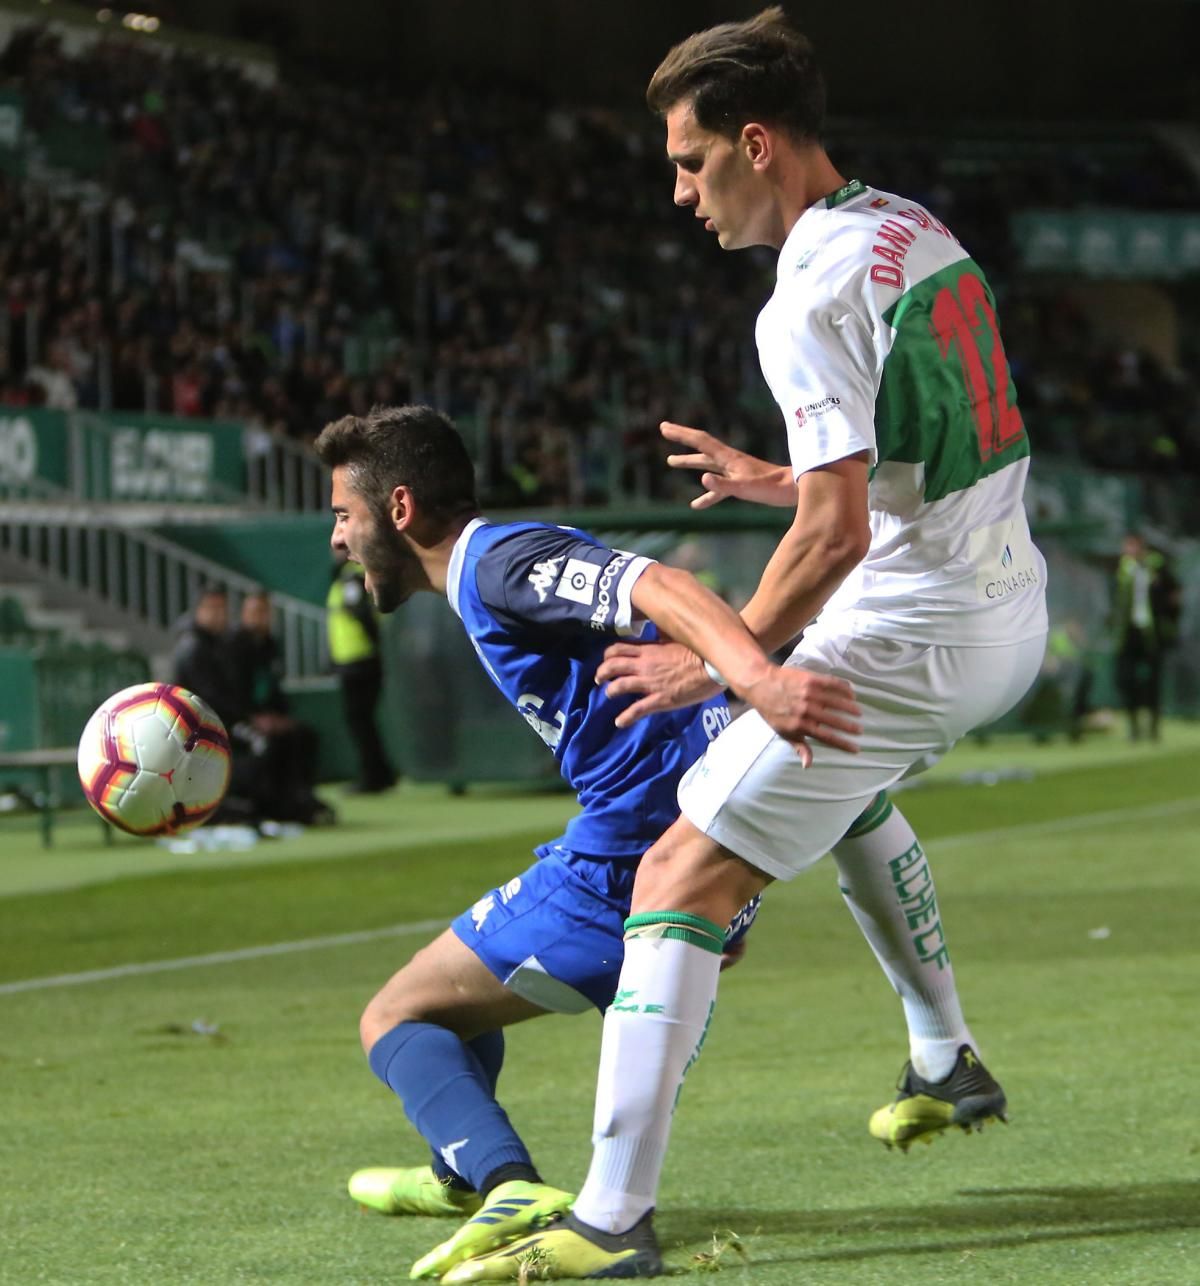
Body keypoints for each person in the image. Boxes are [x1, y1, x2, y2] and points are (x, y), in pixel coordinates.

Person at [446, 9, 1050, 1280]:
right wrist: (780, 475)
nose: (679, 191)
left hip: (915, 624)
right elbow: (918, 457)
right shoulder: (911, 229)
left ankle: (610, 1220)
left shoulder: (806, 292)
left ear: (757, 144)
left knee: (679, 872)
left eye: (689, 159)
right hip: (1002, 601)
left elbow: (833, 540)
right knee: (844, 787)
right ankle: (948, 1059)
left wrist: (715, 657)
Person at [311, 404, 862, 1281]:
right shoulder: (490, 570)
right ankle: (465, 1165)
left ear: (400, 508)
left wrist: (754, 678)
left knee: (396, 1015)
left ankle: (502, 1184)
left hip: (632, 860)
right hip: (698, 841)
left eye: (344, 513)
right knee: (450, 998)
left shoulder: (497, 561)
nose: (338, 538)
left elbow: (664, 586)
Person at [228, 589, 333, 826]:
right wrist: (254, 717)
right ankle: (267, 805)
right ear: (244, 613)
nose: (259, 617)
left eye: (264, 612)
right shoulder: (233, 646)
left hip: (267, 716)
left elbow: (274, 689)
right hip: (239, 720)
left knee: (303, 736)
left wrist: (278, 716)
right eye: (254, 611)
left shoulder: (270, 645)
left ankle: (298, 797)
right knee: (265, 745)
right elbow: (232, 694)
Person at [326, 551, 396, 793]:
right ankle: (381, 772)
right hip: (356, 659)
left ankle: (373, 776)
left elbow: (361, 615)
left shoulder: (351, 579)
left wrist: (376, 649)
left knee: (360, 722)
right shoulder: (350, 578)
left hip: (359, 661)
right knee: (363, 721)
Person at [1113, 533, 1178, 741]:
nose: (1127, 551)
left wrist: (1168, 619)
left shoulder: (1157, 567)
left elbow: (1174, 592)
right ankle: (1134, 727)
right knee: (1126, 678)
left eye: (1131, 546)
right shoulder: (1123, 569)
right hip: (1129, 632)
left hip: (1151, 633)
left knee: (1153, 681)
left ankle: (1153, 728)